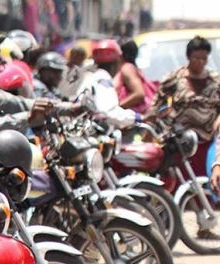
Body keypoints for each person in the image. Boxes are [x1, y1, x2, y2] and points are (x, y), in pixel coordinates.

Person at [152, 36, 220, 177]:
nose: (200, 62)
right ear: (188, 56)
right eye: (196, 58)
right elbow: (158, 106)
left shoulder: (215, 81)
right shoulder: (174, 79)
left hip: (207, 144)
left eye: (204, 58)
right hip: (181, 145)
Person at [78, 40, 141, 129]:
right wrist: (137, 117)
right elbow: (108, 111)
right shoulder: (103, 78)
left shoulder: (90, 75)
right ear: (117, 61)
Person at [116, 39, 155, 113]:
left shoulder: (127, 68)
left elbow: (139, 94)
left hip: (132, 119)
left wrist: (117, 108)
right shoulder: (126, 68)